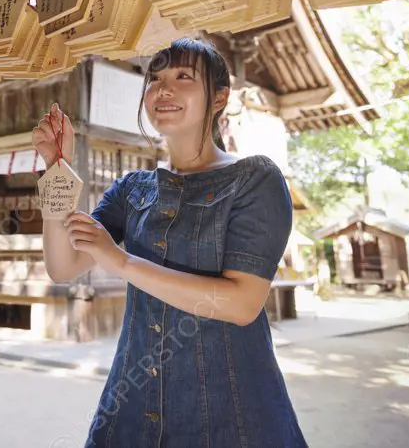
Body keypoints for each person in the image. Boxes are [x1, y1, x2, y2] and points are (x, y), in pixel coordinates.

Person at [32, 38, 307, 448]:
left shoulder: (255, 179)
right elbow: (64, 265)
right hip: (133, 404)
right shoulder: (132, 190)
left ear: (219, 98)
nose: (163, 89)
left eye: (183, 77)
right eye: (155, 78)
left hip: (230, 409)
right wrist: (57, 169)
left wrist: (122, 262)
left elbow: (241, 303)